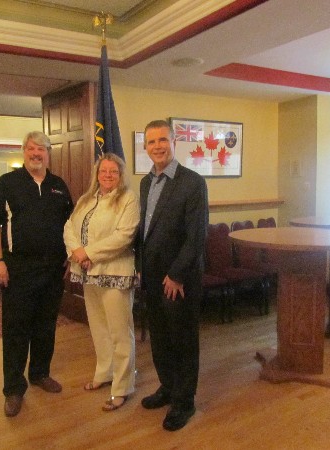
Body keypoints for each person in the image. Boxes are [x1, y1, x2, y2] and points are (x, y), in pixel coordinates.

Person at [0, 131, 73, 418]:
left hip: (53, 268)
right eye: (31, 149)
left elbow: (70, 226)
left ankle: (40, 373)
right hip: (18, 269)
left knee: (46, 325)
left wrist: (71, 255)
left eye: (42, 149)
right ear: (23, 151)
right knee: (16, 329)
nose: (36, 153)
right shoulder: (6, 184)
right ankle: (13, 389)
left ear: (48, 153)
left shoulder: (59, 186)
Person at [136, 119, 208, 431]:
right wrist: (139, 267)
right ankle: (167, 387)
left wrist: (177, 274)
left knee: (182, 339)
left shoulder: (192, 182)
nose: (157, 147)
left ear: (174, 140)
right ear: (145, 147)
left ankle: (184, 401)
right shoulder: (144, 183)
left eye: (162, 140)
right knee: (160, 338)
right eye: (151, 142)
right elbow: (145, 232)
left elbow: (196, 236)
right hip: (151, 277)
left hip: (179, 279)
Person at [63, 153, 139, 412]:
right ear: (97, 174)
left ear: (121, 175)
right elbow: (69, 228)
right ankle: (105, 373)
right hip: (88, 272)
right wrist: (77, 252)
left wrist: (89, 253)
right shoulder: (86, 199)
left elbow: (124, 236)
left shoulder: (128, 199)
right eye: (103, 171)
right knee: (98, 328)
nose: (107, 175)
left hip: (115, 272)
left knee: (120, 332)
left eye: (113, 172)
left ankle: (123, 386)